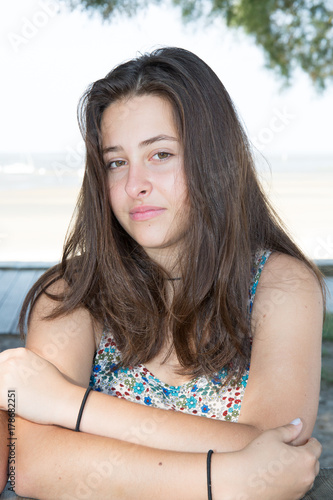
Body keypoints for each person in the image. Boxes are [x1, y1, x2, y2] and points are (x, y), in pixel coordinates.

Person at [0, 47, 325, 499]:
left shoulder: (281, 286)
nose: (135, 185)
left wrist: (67, 405)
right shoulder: (73, 294)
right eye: (116, 162)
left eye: (161, 155)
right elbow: (31, 464)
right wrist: (224, 480)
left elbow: (278, 450)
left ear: (214, 159)